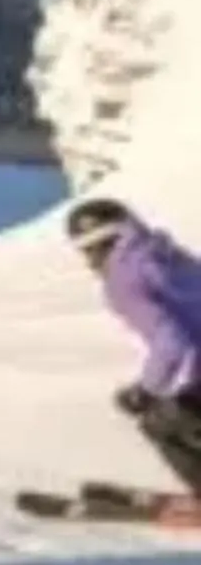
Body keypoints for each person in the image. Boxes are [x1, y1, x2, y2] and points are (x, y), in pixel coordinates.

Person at [69, 196, 201, 491]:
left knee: (161, 424)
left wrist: (145, 391)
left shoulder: (123, 277)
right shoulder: (166, 254)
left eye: (87, 251)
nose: (88, 261)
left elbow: (172, 341)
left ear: (99, 244)